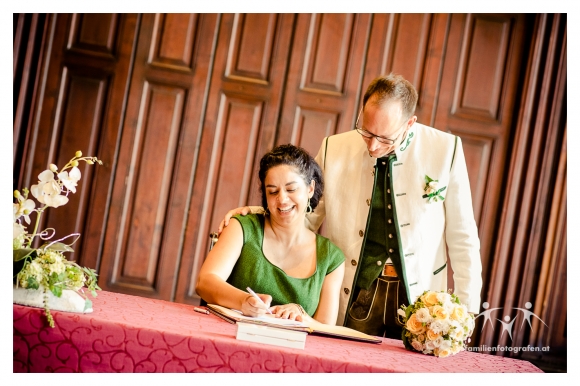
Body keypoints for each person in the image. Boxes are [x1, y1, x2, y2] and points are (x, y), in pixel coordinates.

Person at [219, 73, 482, 338]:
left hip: (421, 296)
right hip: (354, 291)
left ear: (410, 123)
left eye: (385, 138)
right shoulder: (334, 147)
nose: (373, 145)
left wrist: (466, 310)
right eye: (366, 132)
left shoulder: (445, 149)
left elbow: (463, 236)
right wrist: (261, 217)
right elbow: (306, 217)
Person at [196, 144, 345, 325]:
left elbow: (326, 328)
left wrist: (302, 315)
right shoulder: (243, 227)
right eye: (273, 191)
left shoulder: (331, 258)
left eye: (291, 189)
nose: (282, 199)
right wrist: (243, 301)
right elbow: (205, 281)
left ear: (310, 189)